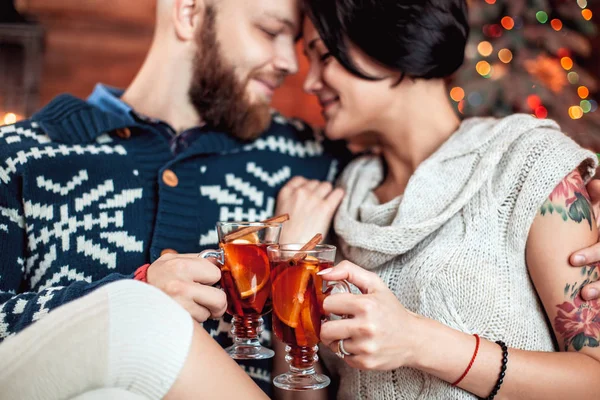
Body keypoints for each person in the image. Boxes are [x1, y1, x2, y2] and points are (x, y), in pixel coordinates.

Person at [0, 0, 347, 398]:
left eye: (296, 42)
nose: (290, 62)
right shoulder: (20, 156)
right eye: (270, 32)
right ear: (189, 13)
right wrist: (139, 292)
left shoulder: (311, 163)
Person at [272, 0, 600, 398]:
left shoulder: (528, 162)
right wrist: (290, 269)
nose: (309, 82)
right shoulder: (335, 200)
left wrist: (420, 342)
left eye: (324, 56)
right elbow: (298, 392)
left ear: (395, 41)